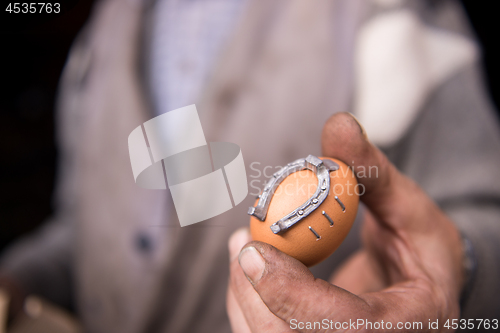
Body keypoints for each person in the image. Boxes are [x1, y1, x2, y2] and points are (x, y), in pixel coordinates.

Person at [1, 0, 500, 332]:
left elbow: (483, 214)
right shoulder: (106, 28)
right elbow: (85, 225)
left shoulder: (390, 15)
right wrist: (16, 279)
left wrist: (458, 273)